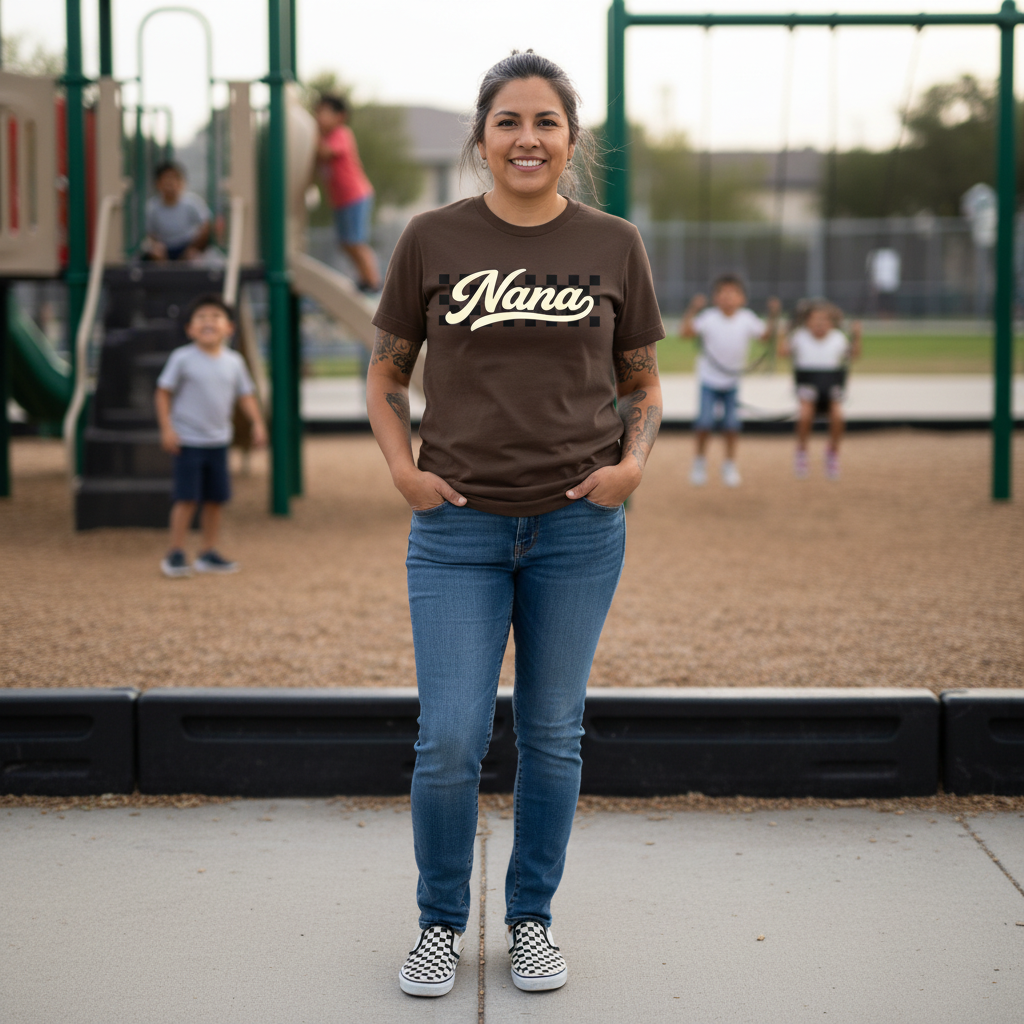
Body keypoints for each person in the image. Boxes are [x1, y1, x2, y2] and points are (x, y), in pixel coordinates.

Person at [366, 50, 664, 999]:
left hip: (579, 528)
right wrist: (404, 474)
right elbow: (384, 373)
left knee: (552, 732)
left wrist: (632, 468)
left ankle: (531, 919)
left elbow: (642, 382)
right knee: (449, 736)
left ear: (571, 140)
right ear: (482, 138)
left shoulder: (615, 244)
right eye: (508, 122)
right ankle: (440, 925)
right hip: (457, 528)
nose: (527, 138)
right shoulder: (431, 238)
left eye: (545, 122)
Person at [155, 294, 266, 578]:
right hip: (188, 441)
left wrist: (257, 423)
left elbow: (246, 395)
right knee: (187, 498)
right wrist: (167, 428)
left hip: (219, 441)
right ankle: (176, 552)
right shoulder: (182, 359)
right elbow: (163, 393)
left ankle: (208, 551)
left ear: (229, 327)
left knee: (215, 499)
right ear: (190, 329)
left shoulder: (234, 362)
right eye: (201, 318)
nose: (208, 322)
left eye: (215, 317)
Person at [681, 276, 779, 487]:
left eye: (732, 294)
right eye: (722, 294)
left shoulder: (747, 318)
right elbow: (686, 333)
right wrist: (693, 309)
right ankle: (699, 463)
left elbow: (765, 336)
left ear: (742, 298)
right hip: (709, 380)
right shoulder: (708, 317)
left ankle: (729, 465)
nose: (727, 298)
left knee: (732, 426)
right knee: (704, 423)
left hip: (731, 383)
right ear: (715, 298)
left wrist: (773, 315)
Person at [779, 299, 861, 480]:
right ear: (807, 321)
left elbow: (853, 355)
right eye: (815, 320)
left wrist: (857, 336)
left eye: (824, 320)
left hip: (830, 387)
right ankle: (801, 451)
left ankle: (832, 453)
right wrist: (783, 334)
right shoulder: (800, 337)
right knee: (805, 414)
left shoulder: (838, 338)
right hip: (808, 385)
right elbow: (782, 353)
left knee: (838, 416)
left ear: (831, 323)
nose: (820, 324)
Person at [314, 93, 381, 293]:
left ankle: (373, 281)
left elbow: (325, 152)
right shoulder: (326, 137)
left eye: (323, 113)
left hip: (355, 196)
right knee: (345, 243)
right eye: (317, 112)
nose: (318, 117)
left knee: (356, 242)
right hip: (341, 200)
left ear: (340, 116)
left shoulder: (341, 134)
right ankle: (364, 278)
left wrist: (311, 134)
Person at [144, 162, 211, 262]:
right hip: (165, 247)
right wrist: (157, 246)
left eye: (174, 178)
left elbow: (206, 225)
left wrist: (194, 248)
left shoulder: (192, 202)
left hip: (188, 245)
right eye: (166, 179)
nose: (170, 183)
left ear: (181, 182)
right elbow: (150, 234)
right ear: (158, 183)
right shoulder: (152, 206)